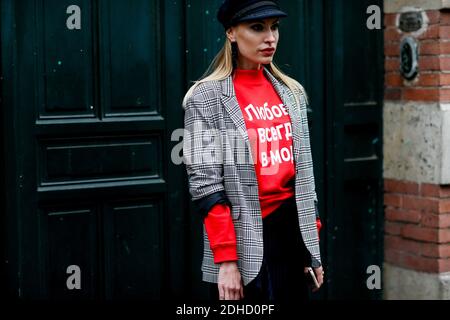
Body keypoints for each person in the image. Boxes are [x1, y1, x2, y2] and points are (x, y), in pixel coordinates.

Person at [182, 0, 324, 302]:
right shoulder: (205, 97)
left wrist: (313, 245)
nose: (269, 37)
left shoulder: (292, 92)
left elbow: (305, 177)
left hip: (292, 235)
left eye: (274, 27)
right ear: (231, 32)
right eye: (257, 28)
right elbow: (205, 186)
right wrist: (227, 261)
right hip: (244, 236)